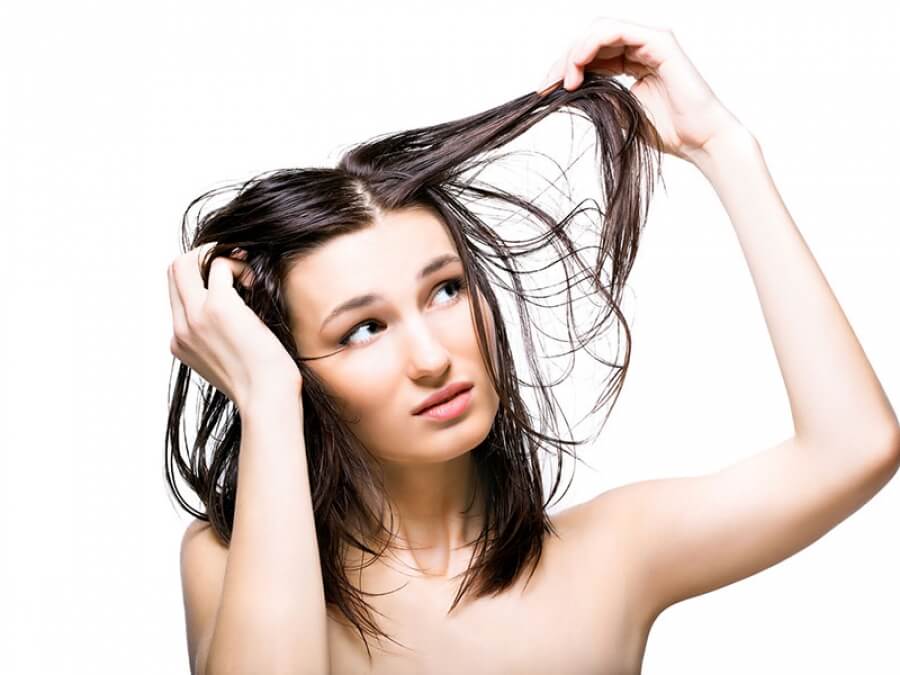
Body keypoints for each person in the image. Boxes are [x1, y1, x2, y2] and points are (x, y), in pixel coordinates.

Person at [168, 16, 900, 675]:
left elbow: (855, 446)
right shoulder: (225, 562)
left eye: (445, 290)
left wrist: (722, 148)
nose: (432, 358)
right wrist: (267, 397)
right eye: (364, 329)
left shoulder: (613, 556)